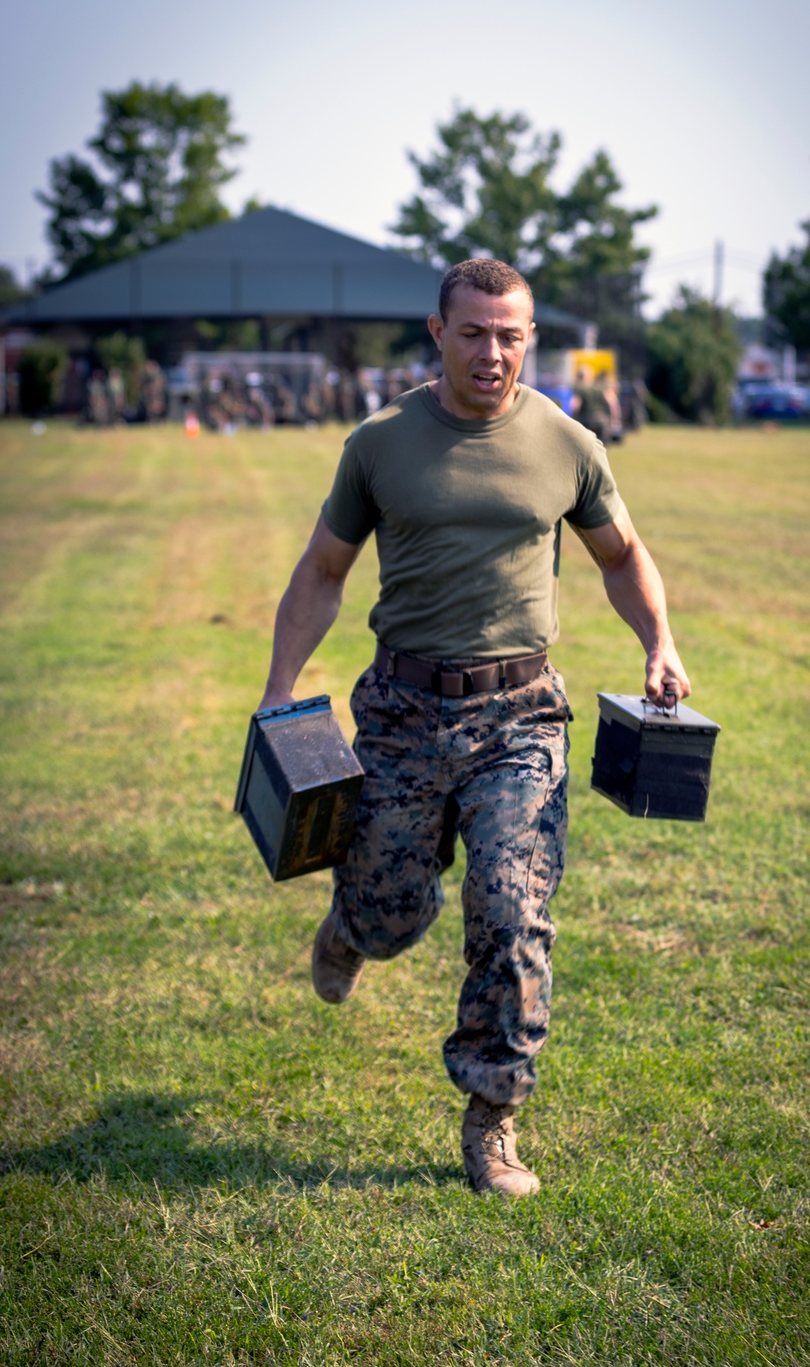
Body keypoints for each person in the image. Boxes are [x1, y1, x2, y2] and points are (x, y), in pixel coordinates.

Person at [258, 259, 690, 1198]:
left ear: (529, 337)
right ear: (438, 331)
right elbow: (324, 570)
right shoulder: (380, 444)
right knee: (391, 907)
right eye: (474, 332)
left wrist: (658, 639)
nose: (493, 351)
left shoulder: (569, 444)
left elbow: (622, 555)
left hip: (521, 715)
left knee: (511, 909)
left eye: (511, 334)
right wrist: (280, 688)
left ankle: (493, 1117)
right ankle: (352, 927)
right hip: (404, 712)